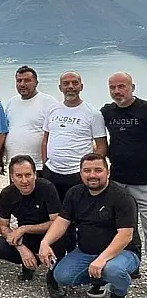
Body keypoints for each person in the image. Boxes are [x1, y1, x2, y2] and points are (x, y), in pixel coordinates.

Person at [40, 154, 142, 298]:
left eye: (98, 170)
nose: (92, 175)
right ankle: (100, 279)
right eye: (87, 171)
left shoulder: (122, 197)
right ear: (80, 173)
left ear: (108, 172)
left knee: (112, 270)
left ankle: (118, 291)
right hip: (87, 251)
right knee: (61, 275)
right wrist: (45, 242)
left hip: (123, 252)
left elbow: (125, 235)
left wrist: (102, 259)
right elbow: (61, 221)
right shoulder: (74, 193)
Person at [0, 155, 65, 296]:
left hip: (48, 234)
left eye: (28, 175)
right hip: (25, 238)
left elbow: (56, 222)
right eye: (19, 176)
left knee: (62, 237)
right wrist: (20, 247)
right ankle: (29, 264)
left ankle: (53, 278)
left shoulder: (47, 188)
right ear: (12, 177)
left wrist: (24, 228)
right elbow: (3, 226)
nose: (24, 180)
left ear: (35, 174)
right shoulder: (7, 194)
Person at [101, 72, 147, 268]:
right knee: (121, 224)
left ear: (132, 88)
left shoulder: (144, 109)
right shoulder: (107, 112)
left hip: (144, 181)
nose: (117, 91)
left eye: (121, 86)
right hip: (117, 178)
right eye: (112, 87)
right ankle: (128, 263)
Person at [42, 71, 108, 201]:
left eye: (75, 83)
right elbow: (45, 140)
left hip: (77, 173)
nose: (70, 86)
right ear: (60, 87)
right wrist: (45, 164)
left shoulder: (93, 114)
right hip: (51, 171)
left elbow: (101, 145)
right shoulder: (52, 110)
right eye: (66, 83)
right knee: (54, 208)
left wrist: (90, 170)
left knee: (79, 208)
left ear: (81, 87)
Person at [3, 66, 58, 175]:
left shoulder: (49, 102)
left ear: (36, 83)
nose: (22, 84)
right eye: (19, 81)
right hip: (14, 164)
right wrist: (1, 156)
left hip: (39, 165)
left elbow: (56, 132)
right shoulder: (12, 102)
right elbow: (6, 130)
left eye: (27, 80)